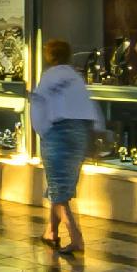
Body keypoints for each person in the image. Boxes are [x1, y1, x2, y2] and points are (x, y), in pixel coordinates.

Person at [29, 38, 99, 255]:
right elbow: (89, 106)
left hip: (57, 134)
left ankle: (76, 237)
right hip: (78, 135)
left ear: (50, 56)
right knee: (60, 185)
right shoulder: (76, 77)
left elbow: (39, 106)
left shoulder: (49, 77)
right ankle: (51, 231)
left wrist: (43, 132)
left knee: (59, 192)